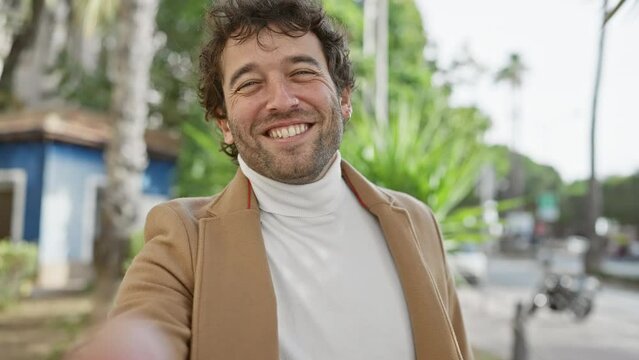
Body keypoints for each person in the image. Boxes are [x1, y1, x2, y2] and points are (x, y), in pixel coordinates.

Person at [98, 0, 472, 359]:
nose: (281, 100)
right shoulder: (184, 240)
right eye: (249, 84)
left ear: (343, 98)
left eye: (302, 73)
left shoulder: (417, 223)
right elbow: (145, 325)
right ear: (224, 123)